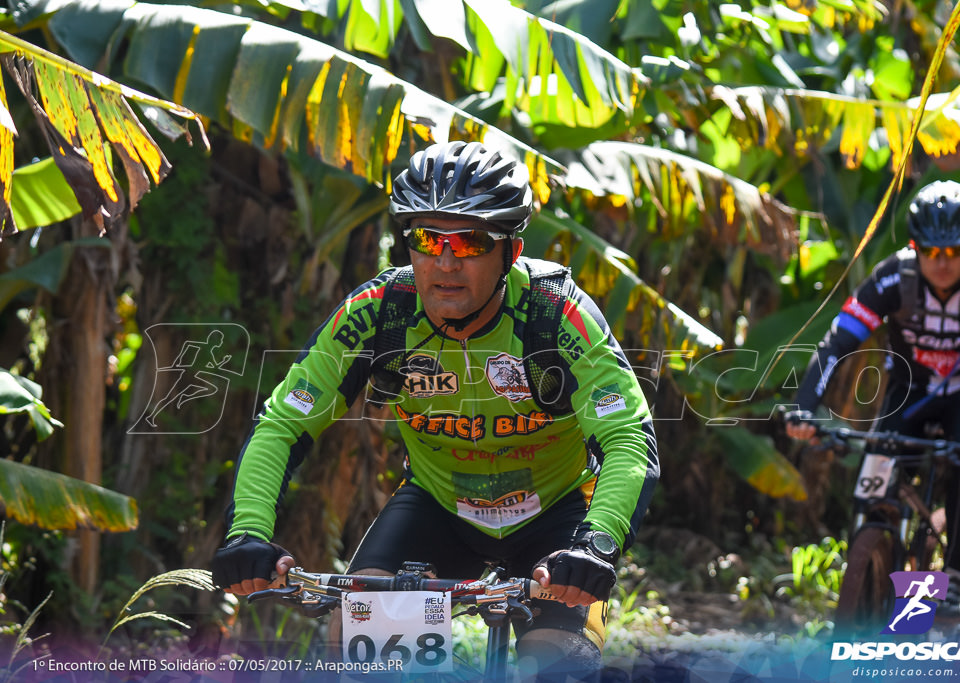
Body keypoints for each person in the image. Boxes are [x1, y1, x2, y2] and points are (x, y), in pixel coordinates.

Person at [210, 141, 660, 678]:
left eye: (469, 242)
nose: (445, 263)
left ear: (510, 253)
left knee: (557, 665)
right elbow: (283, 424)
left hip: (556, 513)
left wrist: (599, 544)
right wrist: (248, 533)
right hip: (439, 506)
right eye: (427, 239)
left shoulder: (554, 313)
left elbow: (629, 437)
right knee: (362, 647)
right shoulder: (380, 315)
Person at [786, 180, 960, 617]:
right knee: (876, 461)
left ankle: (953, 572)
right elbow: (838, 342)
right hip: (911, 388)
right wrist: (805, 405)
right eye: (931, 252)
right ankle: (864, 555)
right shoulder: (893, 277)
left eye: (955, 252)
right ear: (915, 247)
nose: (943, 263)